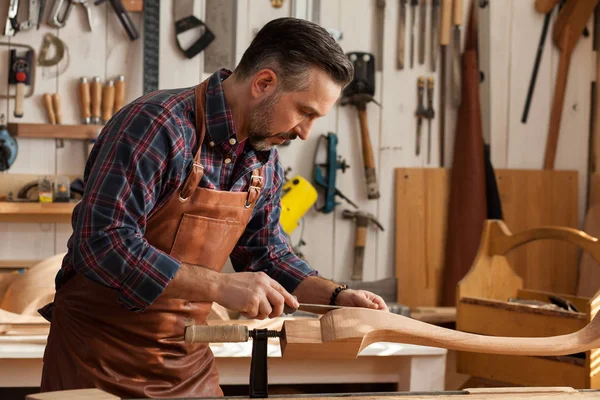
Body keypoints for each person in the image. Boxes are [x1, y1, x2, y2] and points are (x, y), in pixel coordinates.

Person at [38, 17, 389, 398]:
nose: (305, 131)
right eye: (305, 112)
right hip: (96, 359)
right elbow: (103, 243)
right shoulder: (157, 125)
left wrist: (336, 296)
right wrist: (221, 285)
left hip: (187, 364)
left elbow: (266, 254)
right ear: (264, 83)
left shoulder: (263, 159)